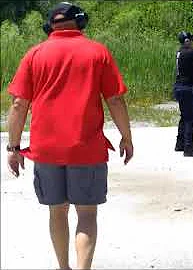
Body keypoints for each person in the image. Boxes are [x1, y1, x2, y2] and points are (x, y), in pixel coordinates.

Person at [6, 2, 133, 269]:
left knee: (57, 211)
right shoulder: (97, 52)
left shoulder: (35, 54)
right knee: (86, 214)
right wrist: (126, 137)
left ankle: (63, 267)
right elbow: (115, 100)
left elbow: (18, 104)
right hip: (86, 149)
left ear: (49, 25)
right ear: (81, 22)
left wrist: (13, 147)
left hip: (46, 150)